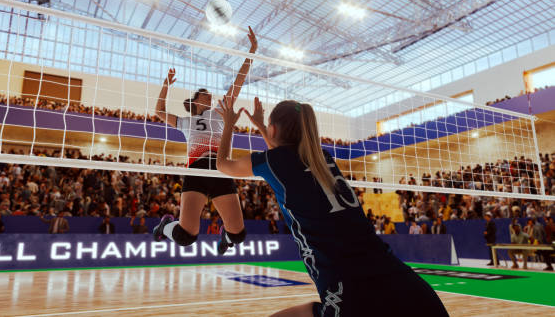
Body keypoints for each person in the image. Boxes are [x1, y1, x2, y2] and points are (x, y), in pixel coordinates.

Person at [214, 97, 448, 317]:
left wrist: (228, 125)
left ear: (274, 130)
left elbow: (223, 164)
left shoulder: (273, 162)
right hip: (405, 284)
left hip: (351, 293)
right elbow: (282, 158)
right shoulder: (323, 159)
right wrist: (263, 127)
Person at [152, 27, 258, 255]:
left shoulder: (219, 110)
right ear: (194, 100)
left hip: (220, 168)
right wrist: (166, 85)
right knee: (185, 237)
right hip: (197, 169)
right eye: (204, 93)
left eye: (209, 93)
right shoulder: (185, 121)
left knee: (238, 235)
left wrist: (252, 52)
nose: (209, 94)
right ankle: (165, 226)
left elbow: (238, 83)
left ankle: (226, 237)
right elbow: (159, 110)